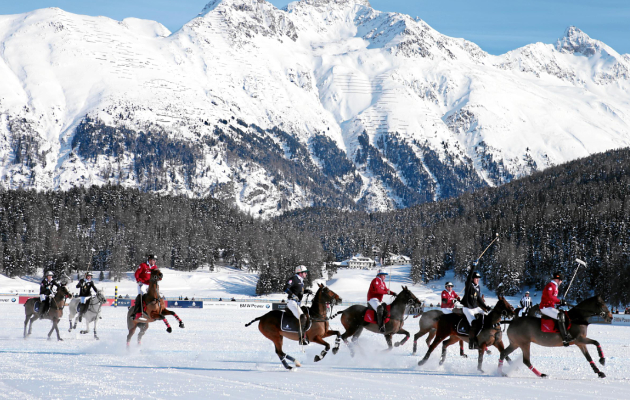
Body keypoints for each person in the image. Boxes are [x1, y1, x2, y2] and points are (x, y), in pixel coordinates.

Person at [540, 272, 572, 346]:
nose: (561, 282)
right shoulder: (550, 286)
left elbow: (552, 299)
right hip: (545, 307)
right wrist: (559, 301)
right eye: (561, 280)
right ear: (558, 280)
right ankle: (565, 338)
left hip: (550, 306)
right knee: (560, 316)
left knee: (563, 314)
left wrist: (561, 303)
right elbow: (549, 297)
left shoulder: (555, 287)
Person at [461, 266, 490, 349]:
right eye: (476, 278)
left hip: (475, 307)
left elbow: (478, 298)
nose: (478, 280)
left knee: (485, 315)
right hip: (467, 308)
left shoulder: (478, 287)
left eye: (478, 278)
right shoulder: (469, 285)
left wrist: (486, 307)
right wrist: (473, 266)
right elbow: (469, 277)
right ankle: (472, 342)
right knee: (474, 323)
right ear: (472, 279)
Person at [284, 265, 313, 344]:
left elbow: (299, 291)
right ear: (300, 273)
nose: (306, 274)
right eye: (305, 273)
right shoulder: (294, 279)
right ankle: (301, 339)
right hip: (292, 302)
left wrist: (307, 291)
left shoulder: (301, 281)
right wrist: (293, 295)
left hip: (298, 303)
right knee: (302, 317)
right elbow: (285, 288)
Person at [131, 255, 158, 320]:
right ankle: (136, 313)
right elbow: (137, 273)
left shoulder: (155, 267)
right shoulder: (143, 265)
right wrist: (138, 280)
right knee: (142, 296)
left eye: (155, 260)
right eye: (153, 260)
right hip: (142, 284)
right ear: (149, 260)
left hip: (150, 285)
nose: (154, 261)